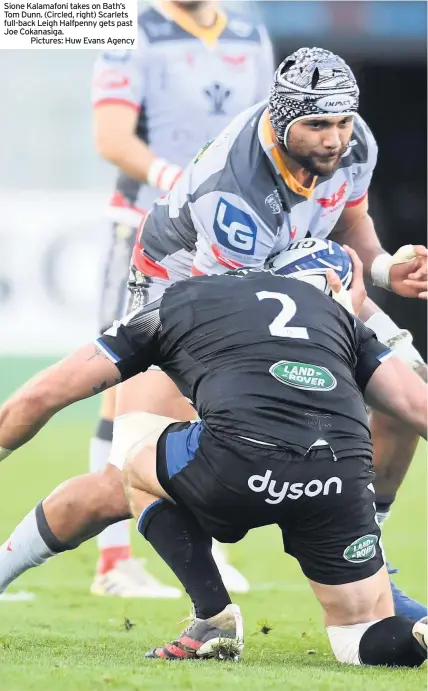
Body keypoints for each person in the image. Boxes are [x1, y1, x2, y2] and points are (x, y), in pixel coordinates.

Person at [110, 45, 426, 618]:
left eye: (342, 121)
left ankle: (367, 559)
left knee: (408, 391)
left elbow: (350, 217)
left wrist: (381, 269)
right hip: (183, 293)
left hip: (285, 272)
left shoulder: (353, 142)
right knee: (131, 464)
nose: (335, 139)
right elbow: (251, 314)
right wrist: (345, 323)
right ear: (281, 121)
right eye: (317, 125)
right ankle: (196, 603)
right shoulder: (237, 191)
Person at [0, 253, 426, 667]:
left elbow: (45, 393)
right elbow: (415, 404)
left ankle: (213, 617)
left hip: (240, 461)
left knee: (133, 463)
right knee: (359, 632)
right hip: (339, 475)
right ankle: (413, 634)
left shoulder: (177, 300)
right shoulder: (339, 317)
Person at [91, 0, 274, 596]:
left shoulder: (249, 30)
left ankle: (206, 548)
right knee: (120, 379)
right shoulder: (130, 26)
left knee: (212, 379)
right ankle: (114, 561)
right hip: (146, 227)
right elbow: (112, 137)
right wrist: (185, 182)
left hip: (226, 237)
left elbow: (265, 133)